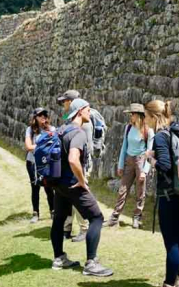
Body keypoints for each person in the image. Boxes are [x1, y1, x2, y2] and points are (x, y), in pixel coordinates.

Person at [49, 99, 113, 277]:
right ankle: (91, 263)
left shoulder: (62, 129)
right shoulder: (78, 133)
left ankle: (59, 258)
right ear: (79, 112)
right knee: (97, 218)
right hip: (72, 183)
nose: (90, 112)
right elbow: (72, 159)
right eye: (87, 109)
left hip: (59, 184)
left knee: (59, 218)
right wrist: (82, 180)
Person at [148, 100, 179, 287]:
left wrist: (152, 161)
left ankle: (169, 283)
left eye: (146, 116)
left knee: (171, 242)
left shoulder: (160, 136)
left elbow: (165, 166)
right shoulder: (178, 130)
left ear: (153, 116)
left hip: (169, 195)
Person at [107, 103, 154, 229]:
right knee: (122, 190)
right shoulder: (128, 128)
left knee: (140, 191)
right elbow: (124, 147)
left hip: (140, 161)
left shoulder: (148, 131)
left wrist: (145, 170)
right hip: (128, 161)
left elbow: (149, 152)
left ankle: (137, 217)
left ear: (138, 115)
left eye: (132, 114)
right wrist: (120, 165)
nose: (130, 116)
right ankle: (115, 216)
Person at [57, 90, 91, 241]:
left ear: (71, 102)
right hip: (73, 163)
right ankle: (67, 228)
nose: (62, 104)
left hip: (80, 162)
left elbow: (82, 147)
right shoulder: (69, 118)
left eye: (64, 101)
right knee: (68, 198)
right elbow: (65, 120)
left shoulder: (83, 121)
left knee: (78, 197)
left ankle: (84, 228)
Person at [24, 108, 55, 223]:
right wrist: (44, 146)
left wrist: (37, 146)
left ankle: (53, 211)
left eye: (45, 114)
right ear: (35, 117)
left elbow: (54, 146)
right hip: (32, 163)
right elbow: (28, 146)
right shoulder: (30, 130)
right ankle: (35, 213)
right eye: (40, 115)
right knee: (35, 187)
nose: (43, 116)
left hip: (46, 163)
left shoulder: (51, 129)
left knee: (49, 187)